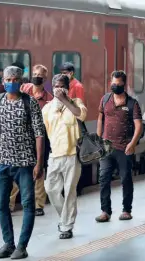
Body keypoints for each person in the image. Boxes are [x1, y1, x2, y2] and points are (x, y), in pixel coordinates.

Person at [0, 66, 45, 259]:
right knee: (1, 204)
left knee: (27, 204)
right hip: (2, 162)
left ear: (20, 81)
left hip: (25, 163)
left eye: (14, 79)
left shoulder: (30, 102)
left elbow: (39, 134)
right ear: (3, 82)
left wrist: (39, 162)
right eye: (7, 80)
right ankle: (8, 243)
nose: (10, 82)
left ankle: (22, 246)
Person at [42, 74, 87, 239]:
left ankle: (66, 226)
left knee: (69, 192)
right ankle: (64, 218)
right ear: (52, 88)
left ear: (68, 88)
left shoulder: (76, 103)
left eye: (62, 86)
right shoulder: (47, 109)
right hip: (54, 155)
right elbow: (44, 132)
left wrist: (66, 101)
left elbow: (80, 115)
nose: (58, 89)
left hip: (72, 155)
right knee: (51, 189)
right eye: (55, 86)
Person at [95, 71, 143, 222]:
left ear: (124, 84)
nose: (115, 86)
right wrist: (98, 140)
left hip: (124, 147)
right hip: (106, 147)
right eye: (113, 84)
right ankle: (105, 211)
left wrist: (133, 143)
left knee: (126, 178)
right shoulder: (105, 99)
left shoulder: (132, 103)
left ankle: (126, 209)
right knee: (103, 178)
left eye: (118, 84)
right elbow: (100, 119)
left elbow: (138, 125)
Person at [9, 65, 53, 216]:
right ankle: (9, 203)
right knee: (16, 171)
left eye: (40, 75)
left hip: (40, 139)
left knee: (39, 170)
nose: (36, 76)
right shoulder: (23, 91)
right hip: (21, 138)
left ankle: (38, 204)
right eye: (34, 74)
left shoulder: (49, 99)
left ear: (45, 78)